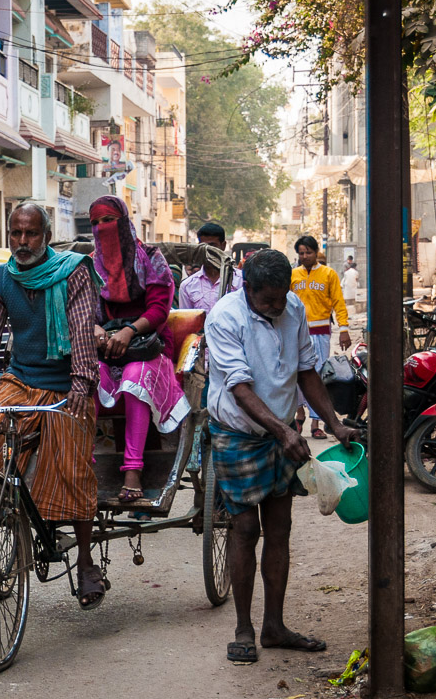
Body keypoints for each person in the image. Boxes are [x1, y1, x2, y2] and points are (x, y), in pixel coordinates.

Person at [204, 249, 358, 665]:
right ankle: (243, 629)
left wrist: (335, 422)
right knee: (243, 531)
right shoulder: (224, 318)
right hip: (238, 433)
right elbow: (239, 387)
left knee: (280, 529)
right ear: (247, 288)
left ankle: (273, 626)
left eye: (282, 297)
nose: (277, 307)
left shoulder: (291, 307)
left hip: (281, 432)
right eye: (268, 300)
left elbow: (307, 370)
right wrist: (284, 430)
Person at [0, 202, 106, 609]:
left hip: (65, 385)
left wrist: (81, 383)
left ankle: (86, 560)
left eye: (31, 234)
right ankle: (3, 507)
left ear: (45, 236)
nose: (23, 242)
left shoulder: (72, 271)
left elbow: (79, 330)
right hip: (21, 380)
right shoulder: (0, 279)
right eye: (16, 234)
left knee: (73, 464)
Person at [89, 196, 189, 507]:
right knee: (84, 376)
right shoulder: (90, 263)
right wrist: (96, 331)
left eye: (108, 220)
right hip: (105, 348)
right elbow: (85, 311)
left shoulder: (151, 259)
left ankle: (132, 471)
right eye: (95, 223)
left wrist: (129, 331)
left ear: (122, 220)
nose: (102, 227)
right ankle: (85, 466)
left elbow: (160, 309)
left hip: (149, 345)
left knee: (134, 377)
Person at [290, 235, 351, 439]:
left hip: (321, 332)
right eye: (301, 253)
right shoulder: (293, 275)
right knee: (294, 374)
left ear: (317, 253)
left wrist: (344, 329)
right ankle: (299, 415)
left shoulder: (328, 274)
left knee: (317, 377)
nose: (305, 256)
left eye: (308, 252)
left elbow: (338, 302)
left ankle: (316, 422)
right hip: (296, 332)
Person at [179, 223, 241, 312]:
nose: (208, 251)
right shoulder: (187, 286)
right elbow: (186, 320)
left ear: (223, 245)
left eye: (213, 246)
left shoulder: (240, 281)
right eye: (203, 246)